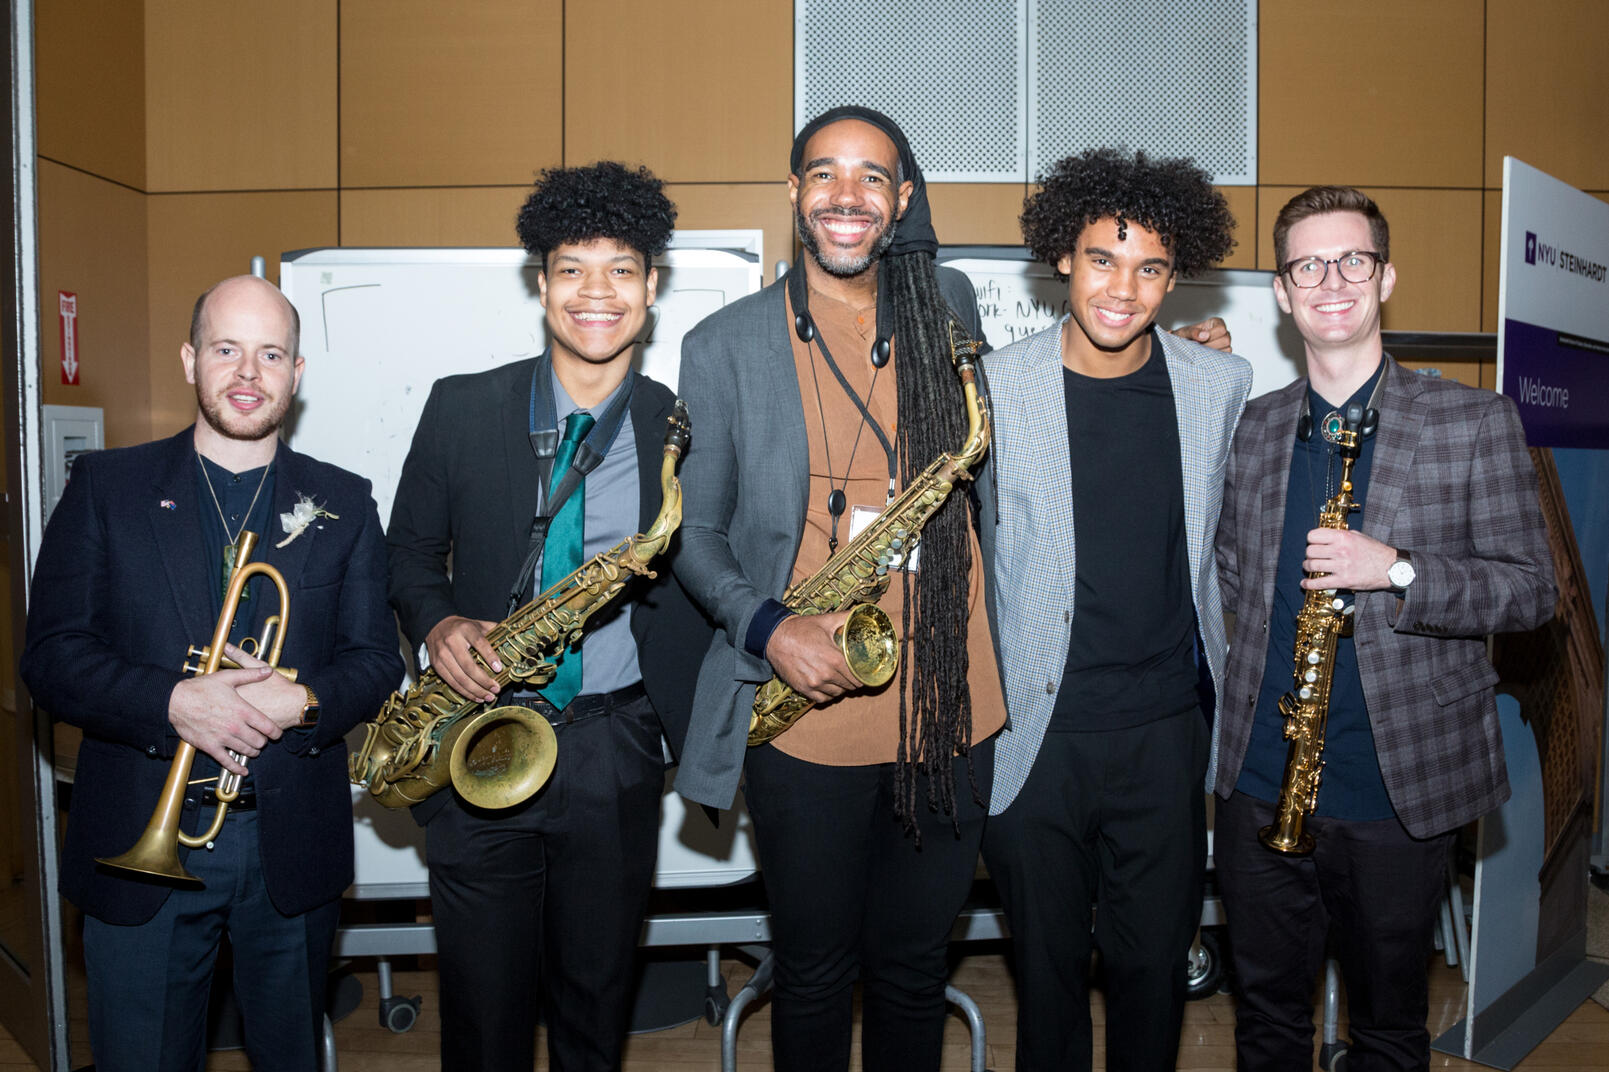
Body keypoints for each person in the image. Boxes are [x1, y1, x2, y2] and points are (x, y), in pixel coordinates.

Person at [20, 275, 403, 1070]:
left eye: (271, 354)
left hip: (288, 838)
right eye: (227, 349)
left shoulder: (346, 499)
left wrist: (302, 699)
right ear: (191, 359)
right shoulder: (106, 489)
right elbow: (51, 658)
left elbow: (376, 663)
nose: (247, 373)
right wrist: (171, 702)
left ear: (297, 375)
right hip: (137, 830)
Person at [1213, 185, 1556, 1070]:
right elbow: (1227, 578)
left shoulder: (1474, 422)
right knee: (1266, 1025)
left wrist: (1395, 570)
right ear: (1282, 293)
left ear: (1385, 276)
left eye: (1352, 260)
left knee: (1390, 1033)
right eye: (1307, 265)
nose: (1331, 280)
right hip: (1258, 781)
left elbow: (1531, 593)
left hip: (1398, 789)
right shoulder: (1249, 430)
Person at [385, 161, 705, 1072]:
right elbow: (407, 558)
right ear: (540, 284)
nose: (595, 293)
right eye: (572, 268)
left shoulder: (681, 425)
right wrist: (442, 627)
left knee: (595, 1008)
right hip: (477, 735)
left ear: (651, 287)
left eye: (620, 269)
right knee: (482, 1019)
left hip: (612, 749)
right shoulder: (461, 406)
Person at [978, 148, 1252, 1072]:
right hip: (1033, 739)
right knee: (1046, 975)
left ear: (1176, 277)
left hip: (1164, 735)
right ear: (1063, 256)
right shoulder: (993, 388)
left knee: (1151, 973)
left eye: (1149, 268)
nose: (1122, 288)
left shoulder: (1220, 386)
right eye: (1103, 258)